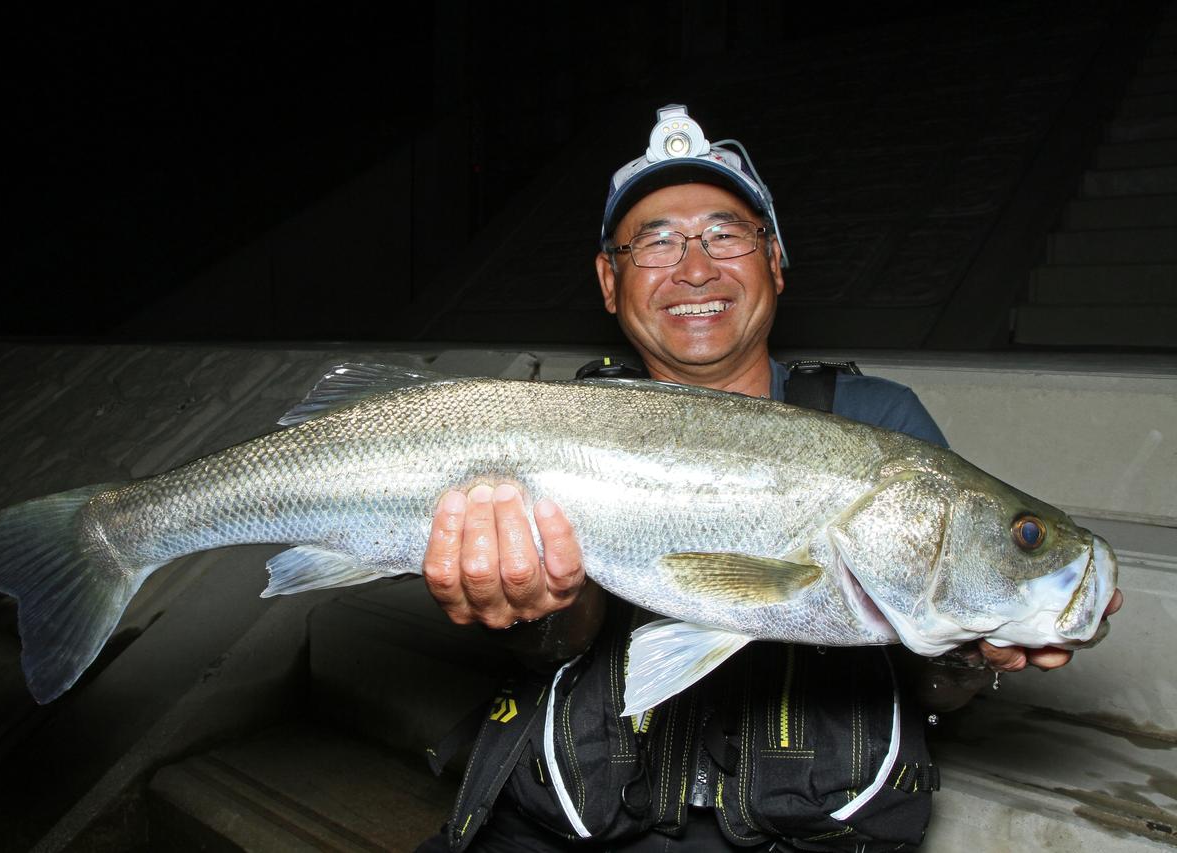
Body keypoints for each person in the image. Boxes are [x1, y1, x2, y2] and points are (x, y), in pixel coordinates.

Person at [417, 105, 1123, 852]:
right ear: (608, 281)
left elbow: (933, 686)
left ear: (776, 261)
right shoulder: (558, 425)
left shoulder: (880, 423)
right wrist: (535, 607)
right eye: (655, 241)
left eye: (726, 234)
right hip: (567, 826)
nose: (695, 267)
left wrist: (970, 649)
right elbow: (558, 644)